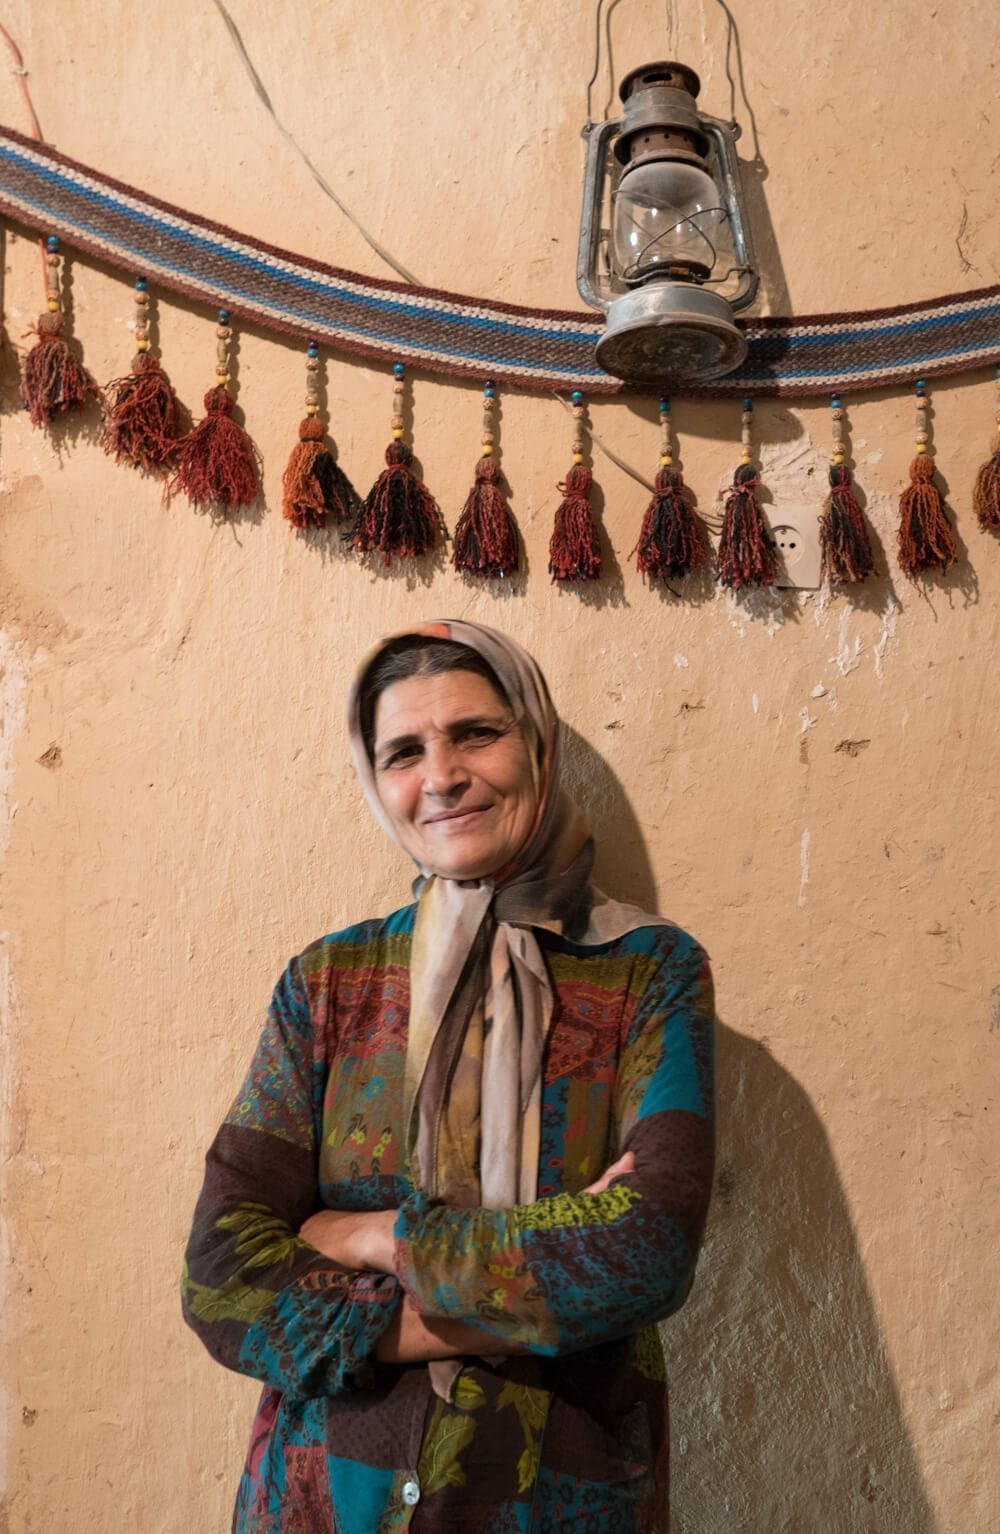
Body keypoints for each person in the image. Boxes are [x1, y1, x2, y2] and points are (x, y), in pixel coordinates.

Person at [182, 619, 715, 1534]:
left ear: (536, 745)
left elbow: (645, 1251)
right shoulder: (330, 983)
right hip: (324, 1501)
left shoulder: (647, 971)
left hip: (555, 1499)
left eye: (477, 733)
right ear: (372, 777)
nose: (441, 777)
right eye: (404, 751)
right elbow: (223, 1278)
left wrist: (370, 1234)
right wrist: (545, 1282)